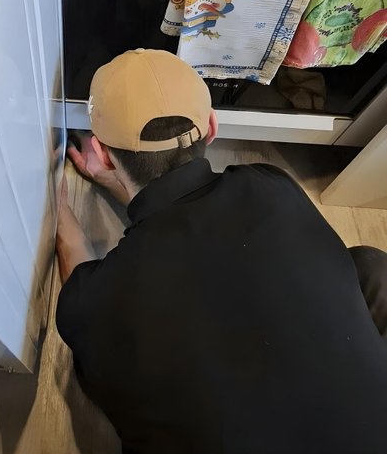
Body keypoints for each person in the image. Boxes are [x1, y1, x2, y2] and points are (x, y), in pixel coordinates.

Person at [55, 48, 387, 454]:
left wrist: (58, 208)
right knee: (367, 266)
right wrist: (123, 186)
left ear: (103, 154)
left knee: (96, 363)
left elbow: (77, 283)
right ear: (212, 126)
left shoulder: (104, 298)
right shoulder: (272, 187)